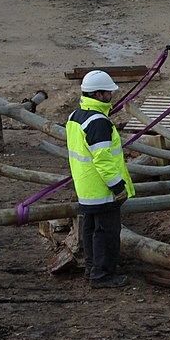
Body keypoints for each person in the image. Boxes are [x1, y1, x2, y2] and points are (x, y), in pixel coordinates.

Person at [66, 70, 135, 288]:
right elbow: (103, 161)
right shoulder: (98, 122)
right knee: (107, 233)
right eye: (108, 93)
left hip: (86, 188)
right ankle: (103, 275)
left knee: (90, 230)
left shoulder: (75, 116)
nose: (111, 96)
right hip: (102, 190)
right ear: (98, 95)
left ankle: (91, 269)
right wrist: (118, 186)